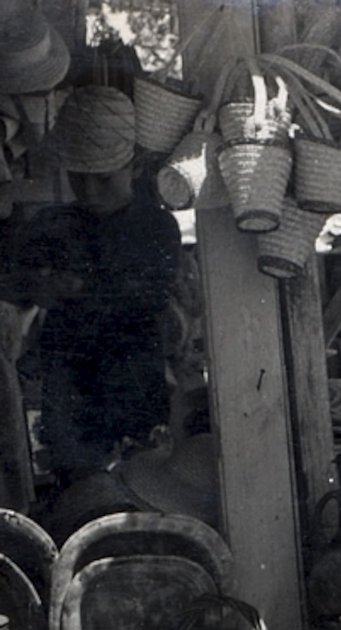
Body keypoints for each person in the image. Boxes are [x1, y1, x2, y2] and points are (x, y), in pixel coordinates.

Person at [8, 86, 181, 488]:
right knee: (78, 494)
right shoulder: (53, 225)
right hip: (68, 396)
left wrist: (78, 288)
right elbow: (15, 277)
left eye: (102, 180)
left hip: (133, 389)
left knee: (139, 490)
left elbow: (148, 294)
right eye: (77, 179)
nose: (88, 192)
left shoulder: (156, 227)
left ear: (135, 165)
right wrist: (36, 286)